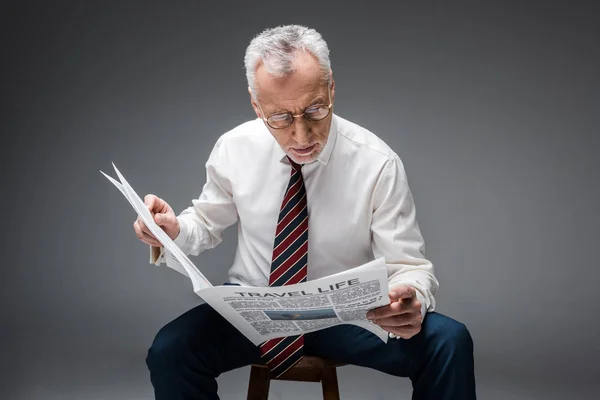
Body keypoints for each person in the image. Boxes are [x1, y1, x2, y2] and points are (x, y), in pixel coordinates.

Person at [135, 25, 476, 400]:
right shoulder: (234, 147)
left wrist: (411, 298)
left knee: (450, 341)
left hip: (346, 316)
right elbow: (204, 223)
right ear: (256, 104)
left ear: (331, 88)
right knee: (170, 351)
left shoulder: (378, 162)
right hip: (253, 309)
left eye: (314, 110)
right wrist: (169, 230)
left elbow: (408, 264)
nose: (301, 136)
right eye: (280, 118)